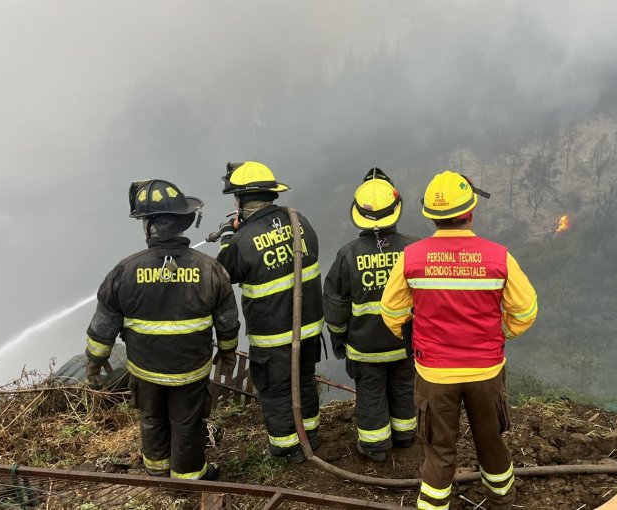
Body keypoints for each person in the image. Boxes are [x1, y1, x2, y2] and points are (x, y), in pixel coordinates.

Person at [381, 170, 538, 510]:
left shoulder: (411, 258)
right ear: (470, 212)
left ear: (430, 216)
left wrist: (417, 341)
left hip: (434, 375)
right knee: (491, 444)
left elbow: (392, 312)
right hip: (486, 373)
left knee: (438, 451)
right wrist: (501, 334)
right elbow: (526, 311)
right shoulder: (498, 257)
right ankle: (501, 501)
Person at [85, 179, 240, 480]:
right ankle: (189, 475)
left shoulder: (124, 270)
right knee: (187, 421)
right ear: (183, 222)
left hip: (146, 369)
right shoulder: (210, 268)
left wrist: (95, 360)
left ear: (148, 226)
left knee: (152, 417)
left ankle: (156, 471)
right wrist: (228, 351)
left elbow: (104, 323)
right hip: (190, 369)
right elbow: (227, 320)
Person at [215, 161, 323, 464]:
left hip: (273, 335)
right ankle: (310, 438)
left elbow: (225, 272)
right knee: (304, 381)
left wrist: (228, 236)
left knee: (276, 392)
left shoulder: (242, 240)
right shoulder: (300, 221)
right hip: (309, 328)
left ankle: (286, 450)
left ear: (239, 201)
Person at [323, 168, 418, 463]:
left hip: (365, 348)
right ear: (396, 210)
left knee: (371, 393)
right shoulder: (414, 249)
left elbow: (335, 304)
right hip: (405, 344)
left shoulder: (347, 254)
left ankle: (375, 447)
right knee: (403, 387)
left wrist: (338, 337)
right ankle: (405, 436)